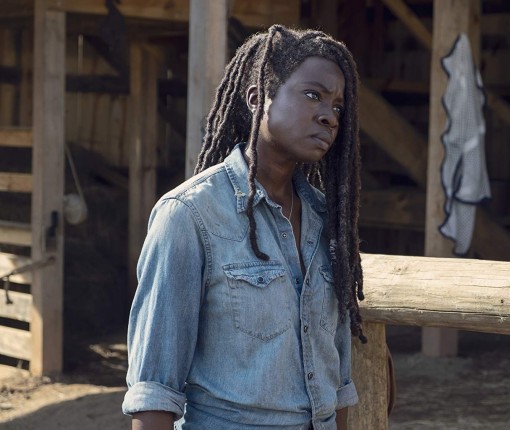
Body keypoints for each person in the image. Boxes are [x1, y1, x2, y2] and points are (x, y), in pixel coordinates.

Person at [122, 25, 366, 430]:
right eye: (313, 95)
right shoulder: (189, 216)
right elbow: (154, 392)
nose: (329, 116)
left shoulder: (328, 220)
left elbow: (337, 384)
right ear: (257, 99)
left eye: (338, 106)